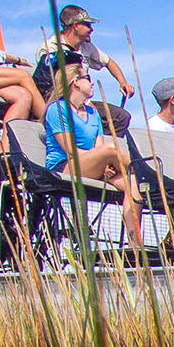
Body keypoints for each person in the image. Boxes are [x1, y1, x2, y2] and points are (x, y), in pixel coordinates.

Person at [41, 63, 145, 251]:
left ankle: (135, 245)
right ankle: (147, 171)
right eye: (88, 78)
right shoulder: (56, 109)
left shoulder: (93, 113)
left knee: (134, 184)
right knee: (112, 149)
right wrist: (102, 158)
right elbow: (71, 150)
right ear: (75, 82)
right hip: (65, 166)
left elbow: (98, 146)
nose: (93, 83)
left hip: (93, 164)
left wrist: (104, 165)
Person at [32, 6, 133, 125]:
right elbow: (52, 84)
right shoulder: (49, 48)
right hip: (59, 102)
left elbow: (109, 62)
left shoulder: (86, 46)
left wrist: (122, 82)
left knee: (120, 117)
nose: (91, 30)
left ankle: (103, 141)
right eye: (88, 25)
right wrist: (85, 103)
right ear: (76, 26)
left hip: (82, 99)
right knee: (94, 117)